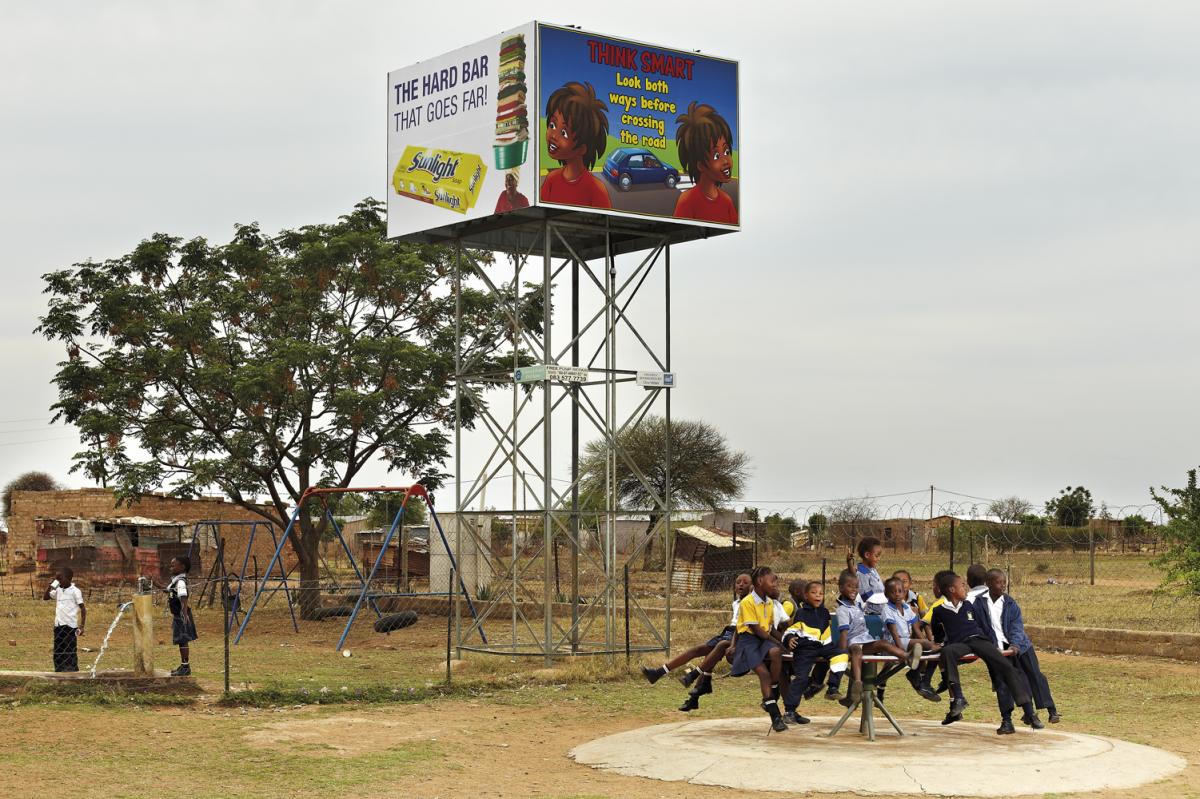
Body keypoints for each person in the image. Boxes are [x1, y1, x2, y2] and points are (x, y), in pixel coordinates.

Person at [929, 571, 1032, 726]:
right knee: (947, 652)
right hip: (960, 644)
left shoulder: (969, 605)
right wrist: (939, 644)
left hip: (979, 641)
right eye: (961, 586)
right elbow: (938, 634)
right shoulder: (939, 611)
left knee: (1005, 666)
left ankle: (1028, 710)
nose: (965, 588)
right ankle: (958, 698)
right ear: (952, 590)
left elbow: (983, 626)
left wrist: (993, 643)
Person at [643, 572, 753, 712]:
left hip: (741, 635)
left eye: (745, 582)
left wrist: (734, 643)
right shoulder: (736, 602)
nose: (741, 584)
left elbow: (744, 625)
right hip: (729, 632)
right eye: (738, 582)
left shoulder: (751, 602)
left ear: (752, 587)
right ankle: (659, 673)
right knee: (698, 650)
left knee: (713, 653)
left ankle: (693, 683)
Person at [975, 568, 1060, 732]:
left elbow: (1017, 627)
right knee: (1002, 682)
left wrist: (1015, 645)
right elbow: (979, 628)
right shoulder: (978, 604)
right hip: (998, 650)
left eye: (1004, 583)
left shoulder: (1010, 603)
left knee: (1035, 675)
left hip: (1020, 646)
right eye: (998, 582)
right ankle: (1007, 720)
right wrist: (990, 647)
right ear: (988, 584)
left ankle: (1051, 709)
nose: (1002, 586)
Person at [836, 570, 922, 708]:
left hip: (865, 640)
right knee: (857, 652)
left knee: (883, 643)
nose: (854, 590)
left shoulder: (857, 605)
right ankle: (857, 684)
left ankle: (907, 656)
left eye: (856, 587)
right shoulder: (842, 610)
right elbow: (844, 634)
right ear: (841, 588)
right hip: (853, 643)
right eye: (850, 587)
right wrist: (842, 652)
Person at [730, 566, 788, 732]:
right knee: (763, 673)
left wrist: (784, 641)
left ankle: (774, 689)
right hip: (749, 641)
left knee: (776, 653)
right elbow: (758, 631)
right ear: (760, 582)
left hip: (764, 639)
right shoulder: (747, 602)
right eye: (772, 581)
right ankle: (775, 717)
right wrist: (775, 641)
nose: (776, 584)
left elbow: (770, 629)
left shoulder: (769, 603)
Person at [780, 580, 847, 725]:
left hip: (823, 646)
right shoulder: (801, 613)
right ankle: (789, 711)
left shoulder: (824, 613)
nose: (818, 595)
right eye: (814, 593)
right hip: (805, 648)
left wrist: (830, 646)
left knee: (842, 654)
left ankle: (832, 687)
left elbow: (826, 634)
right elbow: (790, 631)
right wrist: (789, 639)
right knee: (801, 678)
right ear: (806, 595)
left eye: (821, 593)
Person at [539, 81, 612, 208]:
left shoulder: (596, 190)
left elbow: (607, 224)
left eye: (564, 133)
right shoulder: (551, 180)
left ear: (583, 148)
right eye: (552, 125)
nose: (553, 135)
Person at [672, 101, 738, 224]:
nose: (725, 160)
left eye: (727, 151)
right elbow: (679, 230)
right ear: (700, 165)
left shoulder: (727, 201)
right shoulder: (687, 201)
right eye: (717, 155)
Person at [43, 567, 85, 672]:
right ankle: (59, 670)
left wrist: (82, 626)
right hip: (58, 625)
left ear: (68, 578)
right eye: (57, 579)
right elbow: (45, 597)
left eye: (60, 578)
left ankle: (72, 671)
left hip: (70, 626)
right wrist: (51, 585)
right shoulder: (58, 590)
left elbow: (83, 609)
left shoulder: (75, 591)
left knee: (70, 649)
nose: (58, 581)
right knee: (58, 649)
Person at [166, 556, 197, 677]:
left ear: (182, 567)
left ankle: (185, 667)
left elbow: (183, 597)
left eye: (173, 565)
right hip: (179, 615)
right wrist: (155, 583)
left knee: (183, 641)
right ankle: (184, 665)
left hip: (181, 615)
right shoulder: (176, 580)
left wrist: (184, 614)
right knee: (181, 641)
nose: (171, 567)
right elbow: (168, 590)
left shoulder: (181, 581)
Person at [848, 537, 887, 615]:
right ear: (867, 555)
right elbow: (866, 596)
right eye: (876, 556)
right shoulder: (862, 574)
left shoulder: (872, 570)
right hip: (873, 611)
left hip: (882, 606)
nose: (879, 559)